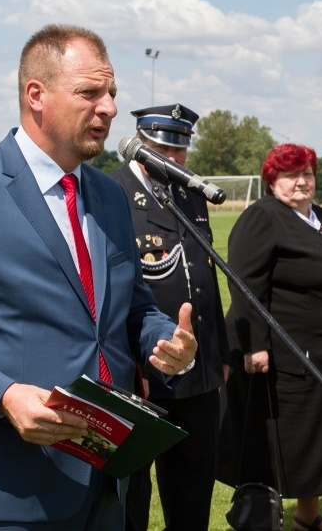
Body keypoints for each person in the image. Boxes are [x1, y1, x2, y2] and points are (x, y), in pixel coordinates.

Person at [0, 24, 196, 531]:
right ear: (36, 95)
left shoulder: (108, 196)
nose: (108, 108)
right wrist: (2, 396)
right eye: (90, 92)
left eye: (111, 93)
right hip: (12, 481)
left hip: (109, 475)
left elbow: (130, 307)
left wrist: (161, 341)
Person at [218, 143, 322, 531]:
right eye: (290, 175)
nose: (301, 182)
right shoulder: (262, 217)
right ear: (272, 181)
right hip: (280, 359)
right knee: (275, 445)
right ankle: (258, 518)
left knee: (315, 443)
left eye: (307, 174)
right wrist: (255, 344)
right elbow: (245, 284)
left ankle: (308, 518)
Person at [108, 103, 229, 531]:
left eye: (180, 150)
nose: (173, 159)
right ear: (140, 145)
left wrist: (220, 352)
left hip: (198, 373)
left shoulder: (190, 194)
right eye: (163, 148)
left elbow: (204, 279)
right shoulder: (113, 193)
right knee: (133, 497)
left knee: (193, 491)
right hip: (143, 373)